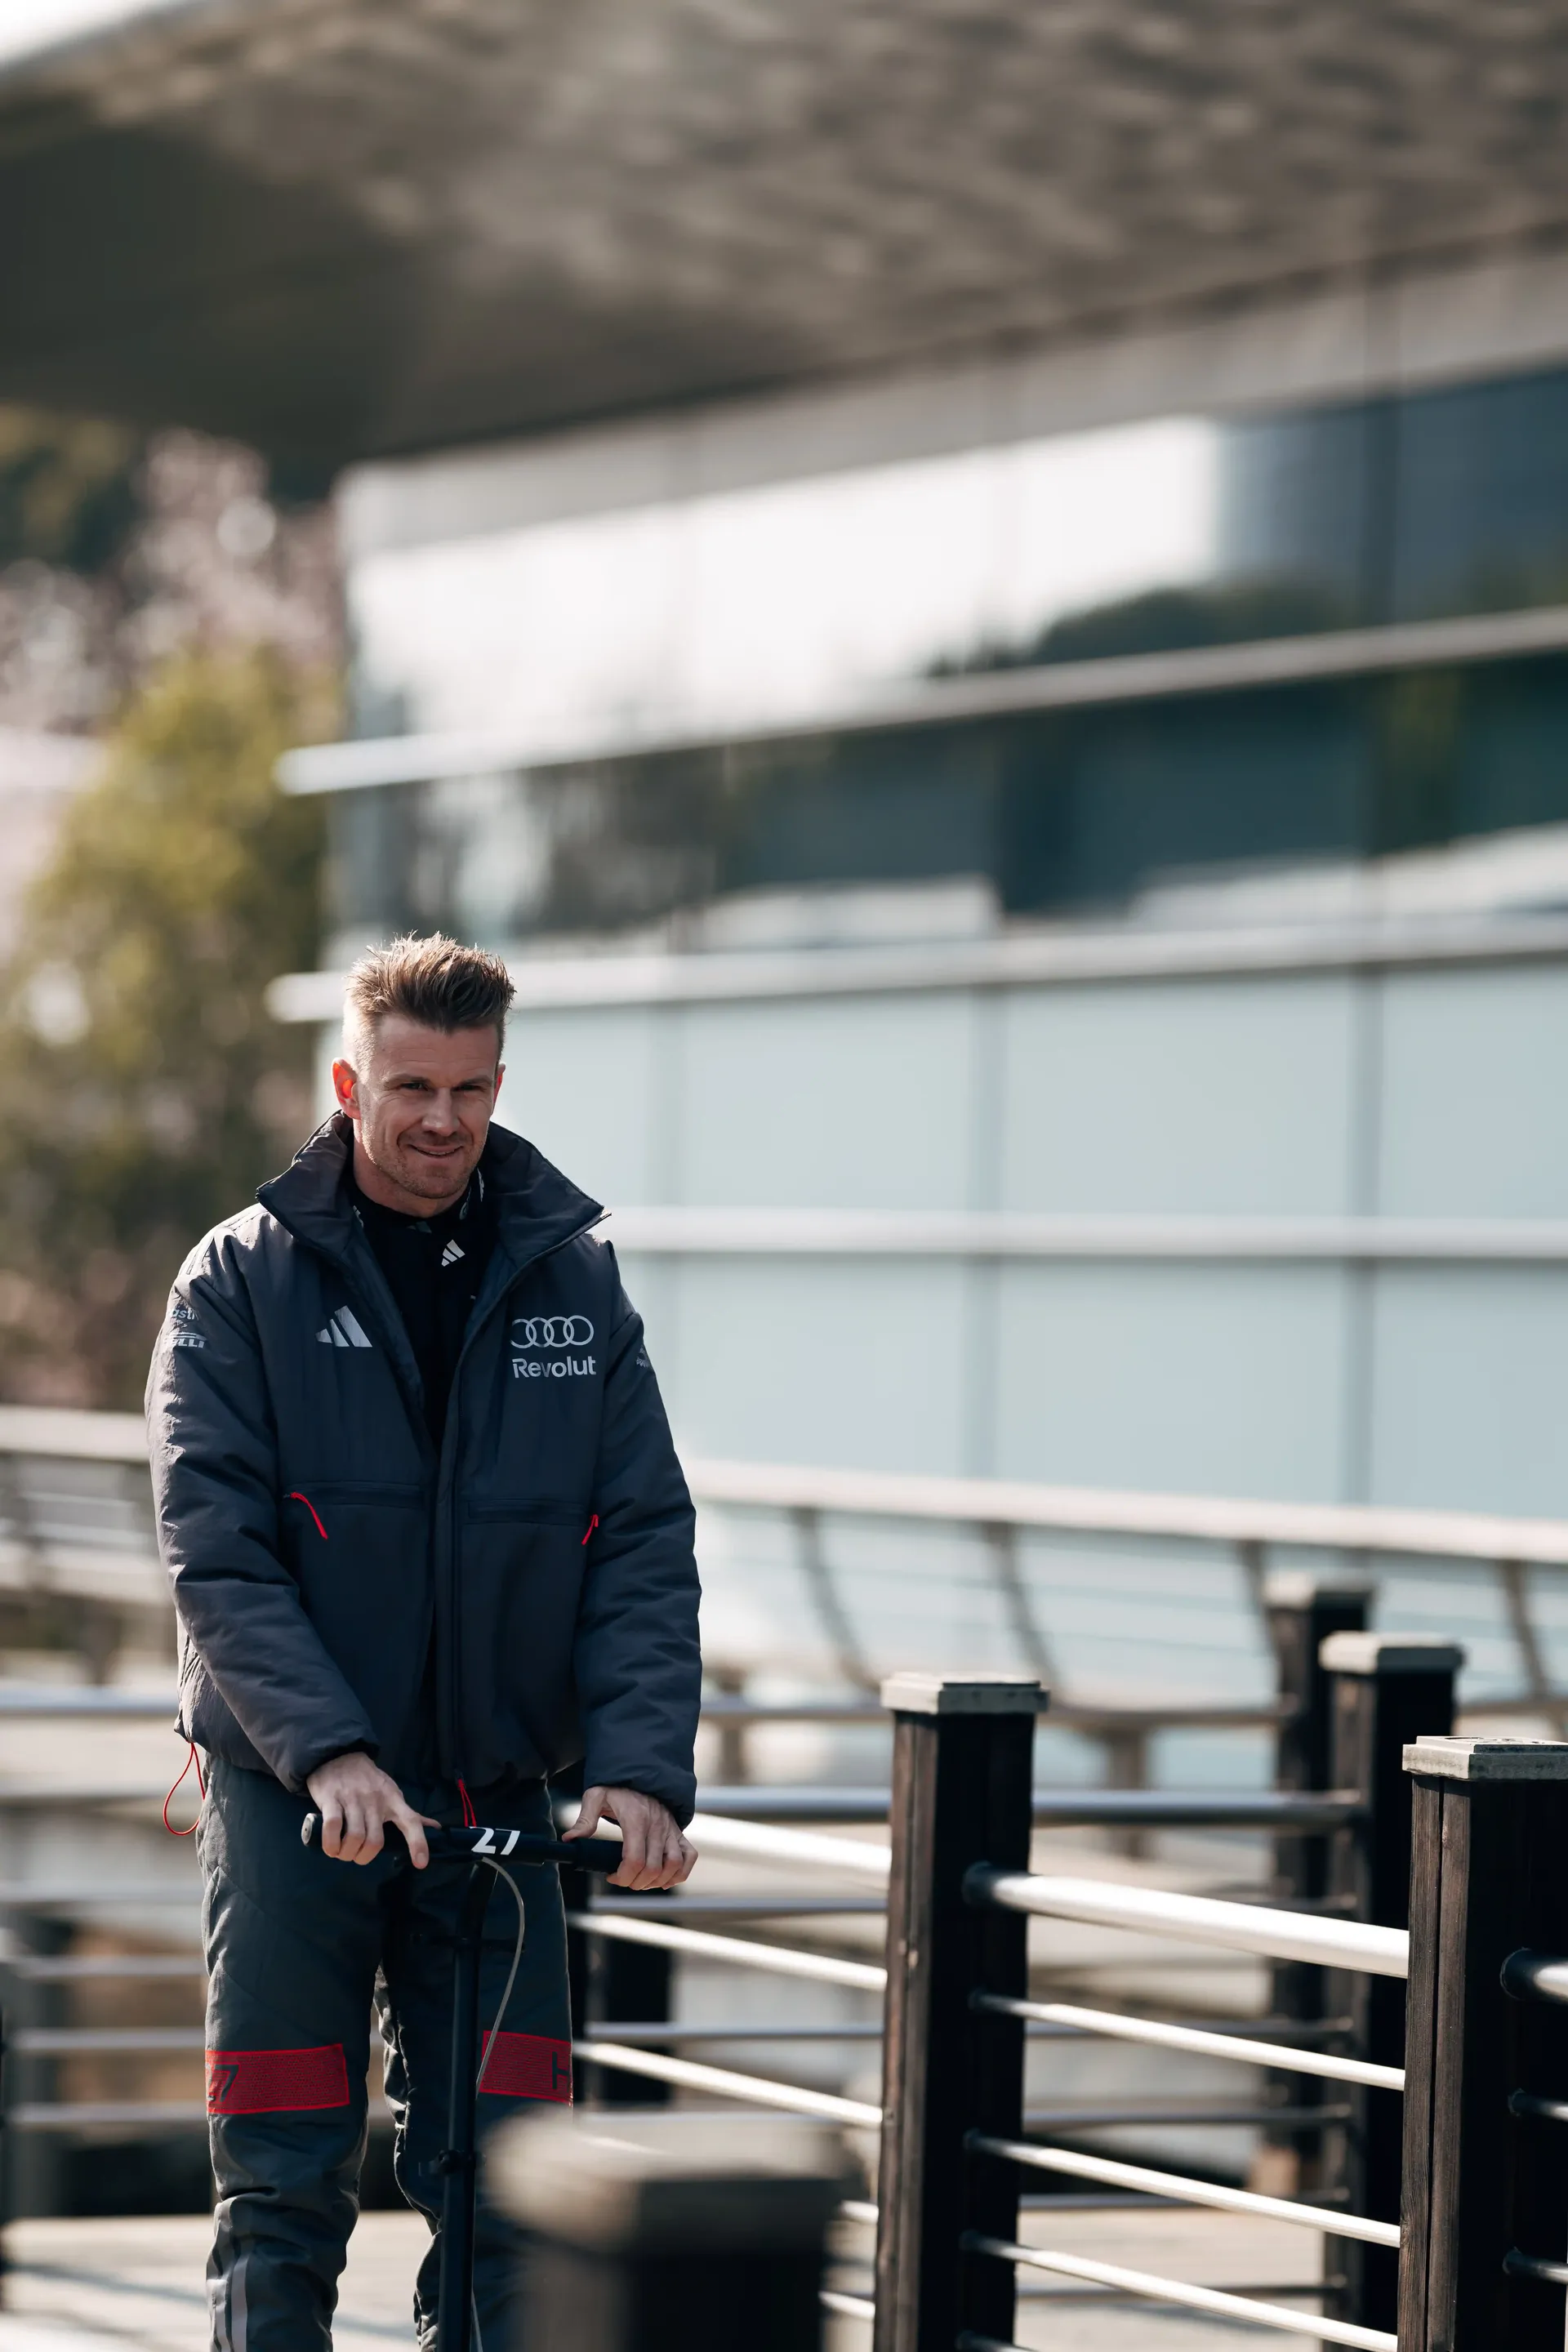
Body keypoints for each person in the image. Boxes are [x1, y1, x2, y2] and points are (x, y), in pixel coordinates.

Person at [146, 933, 702, 2352]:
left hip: (498, 1815)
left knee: (516, 2196)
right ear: (349, 1081)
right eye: (409, 1086)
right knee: (278, 2191)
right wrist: (326, 1750)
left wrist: (639, 1770)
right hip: (294, 1812)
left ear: (499, 1083)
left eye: (468, 1088)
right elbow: (216, 1549)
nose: (440, 1119)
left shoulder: (574, 1287)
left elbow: (640, 1537)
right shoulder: (235, 1285)